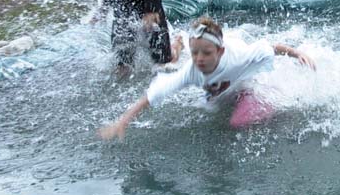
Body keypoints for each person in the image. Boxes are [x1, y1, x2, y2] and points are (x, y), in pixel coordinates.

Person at [98, 16, 316, 139]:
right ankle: (180, 42)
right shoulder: (190, 72)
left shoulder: (239, 56)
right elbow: (151, 96)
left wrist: (298, 53)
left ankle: (271, 111)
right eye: (194, 53)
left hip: (244, 82)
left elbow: (272, 47)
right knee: (209, 107)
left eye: (206, 53)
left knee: (238, 121)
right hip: (220, 88)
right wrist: (122, 123)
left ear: (219, 52)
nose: (199, 59)